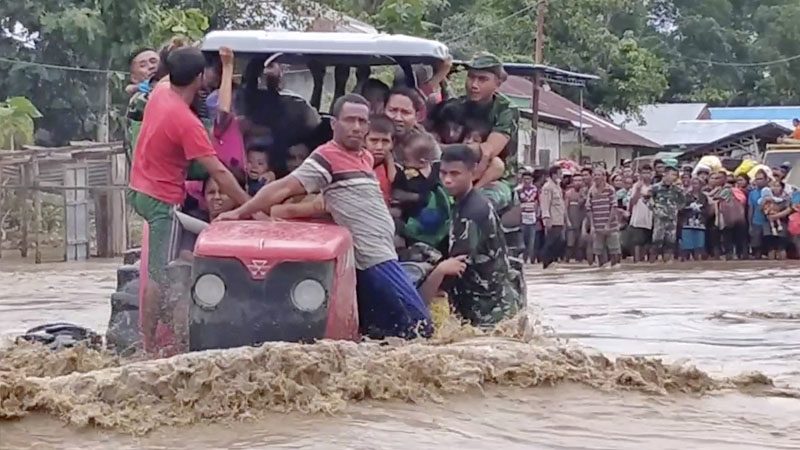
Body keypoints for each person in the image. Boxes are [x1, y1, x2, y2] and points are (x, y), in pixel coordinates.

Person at [216, 93, 432, 339]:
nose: (357, 127)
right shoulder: (326, 157)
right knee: (420, 327)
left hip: (381, 255)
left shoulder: (365, 157)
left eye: (362, 121)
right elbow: (284, 187)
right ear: (334, 124)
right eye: (350, 120)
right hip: (373, 260)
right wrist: (240, 212)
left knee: (381, 335)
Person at [129, 47, 249, 350]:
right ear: (199, 78)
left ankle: (170, 331)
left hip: (138, 187)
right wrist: (250, 207)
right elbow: (219, 174)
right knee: (158, 275)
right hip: (161, 201)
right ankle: (148, 345)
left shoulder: (160, 91)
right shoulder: (187, 123)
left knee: (166, 268)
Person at [420, 145, 522, 327]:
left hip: (488, 310)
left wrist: (421, 297)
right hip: (493, 302)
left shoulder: (472, 213)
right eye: (443, 173)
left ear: (472, 172)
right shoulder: (465, 203)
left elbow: (454, 267)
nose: (447, 180)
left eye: (455, 174)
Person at [453, 54, 519, 212]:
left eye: (482, 79)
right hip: (458, 172)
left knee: (481, 205)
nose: (474, 85)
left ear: (497, 83)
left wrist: (444, 148)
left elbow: (487, 151)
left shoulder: (505, 109)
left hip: (497, 178)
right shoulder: (457, 106)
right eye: (471, 78)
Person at [391, 130, 451, 250]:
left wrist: (415, 197)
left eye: (407, 160)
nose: (404, 164)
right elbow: (397, 192)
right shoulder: (405, 175)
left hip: (437, 217)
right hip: (413, 223)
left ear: (422, 162)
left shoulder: (438, 170)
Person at [586, 168, 621, 267]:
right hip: (597, 226)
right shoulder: (591, 191)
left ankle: (614, 270)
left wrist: (608, 224)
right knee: (598, 251)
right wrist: (592, 226)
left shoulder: (610, 189)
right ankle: (602, 271)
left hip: (611, 226)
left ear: (604, 177)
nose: (596, 177)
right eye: (595, 175)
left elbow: (614, 207)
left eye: (599, 175)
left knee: (614, 251)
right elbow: (589, 208)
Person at [648, 165, 684, 263]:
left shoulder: (677, 189)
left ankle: (667, 264)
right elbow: (646, 199)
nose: (673, 177)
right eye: (672, 174)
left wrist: (676, 209)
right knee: (656, 242)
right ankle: (652, 264)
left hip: (672, 220)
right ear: (665, 174)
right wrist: (655, 209)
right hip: (659, 219)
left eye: (675, 175)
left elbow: (682, 202)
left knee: (670, 243)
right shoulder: (655, 188)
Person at [365, 115, 397, 205]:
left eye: (385, 141)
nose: (379, 147)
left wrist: (390, 161)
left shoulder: (397, 166)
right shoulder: (353, 163)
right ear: (363, 141)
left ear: (392, 143)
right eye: (374, 141)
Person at [539, 165, 566, 268]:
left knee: (559, 242)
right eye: (560, 174)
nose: (561, 176)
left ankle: (553, 261)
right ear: (554, 175)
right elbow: (545, 204)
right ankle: (546, 263)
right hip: (552, 220)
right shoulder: (547, 187)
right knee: (550, 242)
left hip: (559, 219)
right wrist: (546, 218)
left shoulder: (557, 186)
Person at [628, 164, 654, 262]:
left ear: (652, 174)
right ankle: (637, 263)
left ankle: (646, 265)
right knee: (637, 243)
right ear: (640, 174)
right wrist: (638, 190)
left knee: (648, 244)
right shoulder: (636, 186)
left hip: (650, 218)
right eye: (644, 173)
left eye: (648, 173)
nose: (646, 175)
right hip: (638, 219)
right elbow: (633, 202)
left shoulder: (654, 187)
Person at [679, 177, 709, 261]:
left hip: (700, 223)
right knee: (687, 244)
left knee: (699, 245)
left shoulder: (703, 197)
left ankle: (698, 261)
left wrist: (700, 210)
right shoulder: (686, 196)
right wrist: (689, 207)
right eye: (693, 183)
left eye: (697, 183)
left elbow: (706, 209)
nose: (695, 186)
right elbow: (681, 208)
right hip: (687, 223)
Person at [517, 169, 539, 264]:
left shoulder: (535, 190)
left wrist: (538, 214)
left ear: (532, 179)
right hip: (522, 218)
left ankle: (530, 260)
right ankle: (523, 259)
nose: (527, 181)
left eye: (528, 179)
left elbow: (538, 202)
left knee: (532, 241)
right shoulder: (518, 190)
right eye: (525, 179)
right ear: (522, 179)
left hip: (533, 218)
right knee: (523, 241)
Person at [564, 174, 587, 262]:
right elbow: (565, 209)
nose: (578, 182)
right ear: (573, 182)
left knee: (580, 245)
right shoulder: (568, 193)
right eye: (576, 180)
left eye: (580, 180)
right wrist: (567, 221)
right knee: (570, 244)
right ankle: (566, 262)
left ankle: (579, 264)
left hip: (582, 223)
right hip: (571, 223)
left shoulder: (586, 193)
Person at [747, 169, 770, 258]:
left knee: (769, 247)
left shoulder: (770, 191)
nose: (758, 181)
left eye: (760, 179)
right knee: (756, 247)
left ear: (766, 179)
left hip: (769, 222)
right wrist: (750, 224)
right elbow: (750, 209)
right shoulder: (752, 193)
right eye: (757, 179)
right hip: (756, 222)